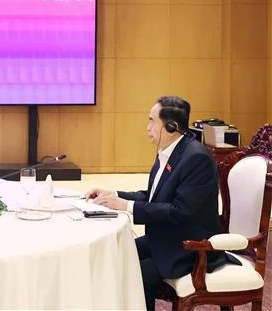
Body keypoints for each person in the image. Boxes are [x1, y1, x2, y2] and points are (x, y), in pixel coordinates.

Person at [85, 95, 238, 311]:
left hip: (190, 248)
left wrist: (126, 206)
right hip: (165, 238)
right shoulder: (170, 151)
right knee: (115, 253)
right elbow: (154, 196)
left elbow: (180, 211)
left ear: (171, 126)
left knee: (135, 273)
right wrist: (113, 194)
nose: (147, 127)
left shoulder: (196, 158)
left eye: (151, 120)